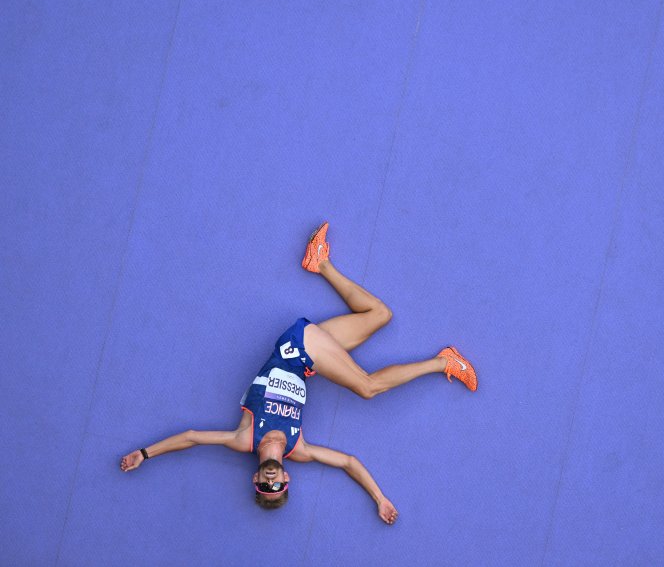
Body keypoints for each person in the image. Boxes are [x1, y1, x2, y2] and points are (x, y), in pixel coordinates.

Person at [119, 222, 478, 524]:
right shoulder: (299, 449)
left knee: (368, 388)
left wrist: (145, 454)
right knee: (380, 316)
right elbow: (349, 462)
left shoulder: (243, 439)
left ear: (256, 478)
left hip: (298, 347)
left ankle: (443, 361)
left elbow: (192, 437)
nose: (272, 481)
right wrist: (379, 498)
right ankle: (319, 262)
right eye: (278, 487)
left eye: (265, 485)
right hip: (309, 359)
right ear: (287, 479)